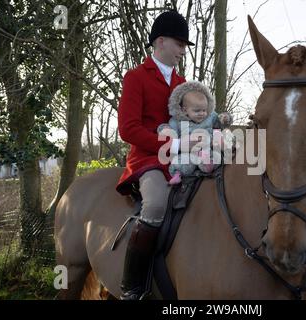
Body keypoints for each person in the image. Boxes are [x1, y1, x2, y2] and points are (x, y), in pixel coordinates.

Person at [116, 10, 195, 300]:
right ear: (160, 41)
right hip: (148, 159)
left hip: (183, 158)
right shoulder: (135, 77)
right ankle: (132, 287)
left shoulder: (184, 83)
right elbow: (128, 129)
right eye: (179, 43)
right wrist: (171, 146)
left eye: (185, 45)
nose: (183, 50)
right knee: (156, 206)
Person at [158, 81, 232, 184]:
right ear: (184, 110)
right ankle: (177, 174)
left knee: (216, 156)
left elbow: (219, 122)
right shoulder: (176, 121)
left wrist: (225, 119)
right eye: (197, 111)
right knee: (184, 162)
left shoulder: (210, 117)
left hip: (206, 149)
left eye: (204, 110)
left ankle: (208, 165)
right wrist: (165, 130)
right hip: (187, 152)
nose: (202, 114)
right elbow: (171, 133)